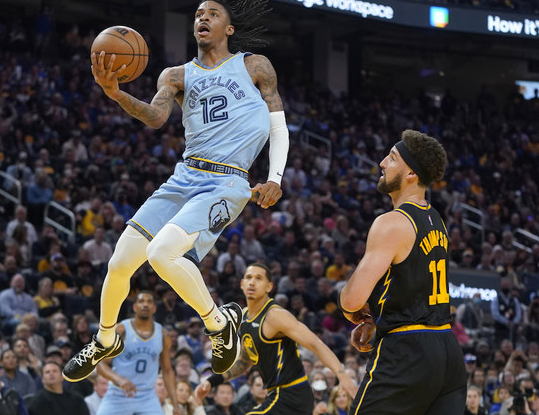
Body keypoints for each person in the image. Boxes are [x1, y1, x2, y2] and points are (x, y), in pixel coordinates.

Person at [63, 0, 289, 381]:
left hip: (227, 181)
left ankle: (219, 323)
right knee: (120, 262)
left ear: (229, 28)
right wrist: (115, 93)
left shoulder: (254, 65)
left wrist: (275, 176)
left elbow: (278, 125)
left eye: (213, 14)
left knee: (161, 254)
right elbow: (155, 117)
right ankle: (106, 338)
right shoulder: (176, 75)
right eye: (199, 13)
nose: (203, 18)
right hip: (184, 176)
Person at [338, 130, 467, 414]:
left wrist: (351, 309)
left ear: (411, 174)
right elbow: (412, 289)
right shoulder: (436, 220)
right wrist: (377, 319)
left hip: (407, 354)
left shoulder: (392, 223)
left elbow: (352, 300)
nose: (382, 163)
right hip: (447, 353)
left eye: (392, 158)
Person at [195, 264, 357, 414]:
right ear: (242, 284)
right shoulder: (243, 318)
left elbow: (315, 343)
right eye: (249, 278)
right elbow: (245, 361)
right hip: (276, 395)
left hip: (293, 394)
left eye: (259, 278)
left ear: (269, 286)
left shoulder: (276, 316)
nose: (252, 282)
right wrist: (212, 381)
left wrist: (342, 376)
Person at [95, 291, 179, 415]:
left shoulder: (163, 334)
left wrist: (175, 404)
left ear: (154, 308)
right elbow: (101, 364)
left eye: (149, 302)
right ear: (134, 307)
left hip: (147, 397)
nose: (145, 305)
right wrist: (120, 380)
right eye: (141, 301)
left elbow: (167, 370)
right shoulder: (121, 329)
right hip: (118, 394)